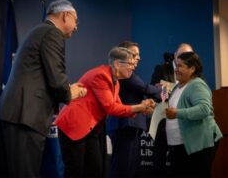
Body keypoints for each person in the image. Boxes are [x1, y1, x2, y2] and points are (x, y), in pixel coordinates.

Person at [0, 0, 87, 178]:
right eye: (76, 21)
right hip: (25, 118)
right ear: (65, 16)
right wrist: (69, 93)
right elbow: (56, 78)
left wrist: (66, 88)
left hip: (13, 116)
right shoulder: (52, 33)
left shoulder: (39, 32)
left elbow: (40, 76)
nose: (76, 27)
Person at [55, 47, 156, 178]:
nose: (133, 67)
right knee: (76, 171)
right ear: (118, 64)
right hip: (74, 127)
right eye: (130, 64)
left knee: (95, 170)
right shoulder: (101, 76)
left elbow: (119, 107)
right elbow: (111, 108)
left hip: (90, 129)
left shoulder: (116, 82)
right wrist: (139, 107)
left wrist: (142, 108)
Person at [107, 41, 161, 178]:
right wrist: (163, 90)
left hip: (129, 125)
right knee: (123, 166)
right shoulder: (125, 74)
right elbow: (144, 88)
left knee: (128, 166)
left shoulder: (128, 73)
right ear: (123, 56)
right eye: (134, 54)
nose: (138, 58)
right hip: (125, 125)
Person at [165, 52, 222, 177]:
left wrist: (178, 113)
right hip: (179, 145)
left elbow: (204, 109)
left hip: (197, 144)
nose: (176, 69)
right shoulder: (177, 87)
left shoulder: (197, 85)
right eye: (176, 65)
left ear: (192, 69)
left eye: (180, 66)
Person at [151, 43, 193, 177]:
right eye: (181, 55)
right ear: (175, 55)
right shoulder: (161, 69)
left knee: (181, 160)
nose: (184, 59)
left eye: (188, 56)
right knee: (159, 157)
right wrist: (166, 90)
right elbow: (155, 92)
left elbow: (193, 93)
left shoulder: (193, 72)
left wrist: (168, 87)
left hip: (183, 121)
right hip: (164, 119)